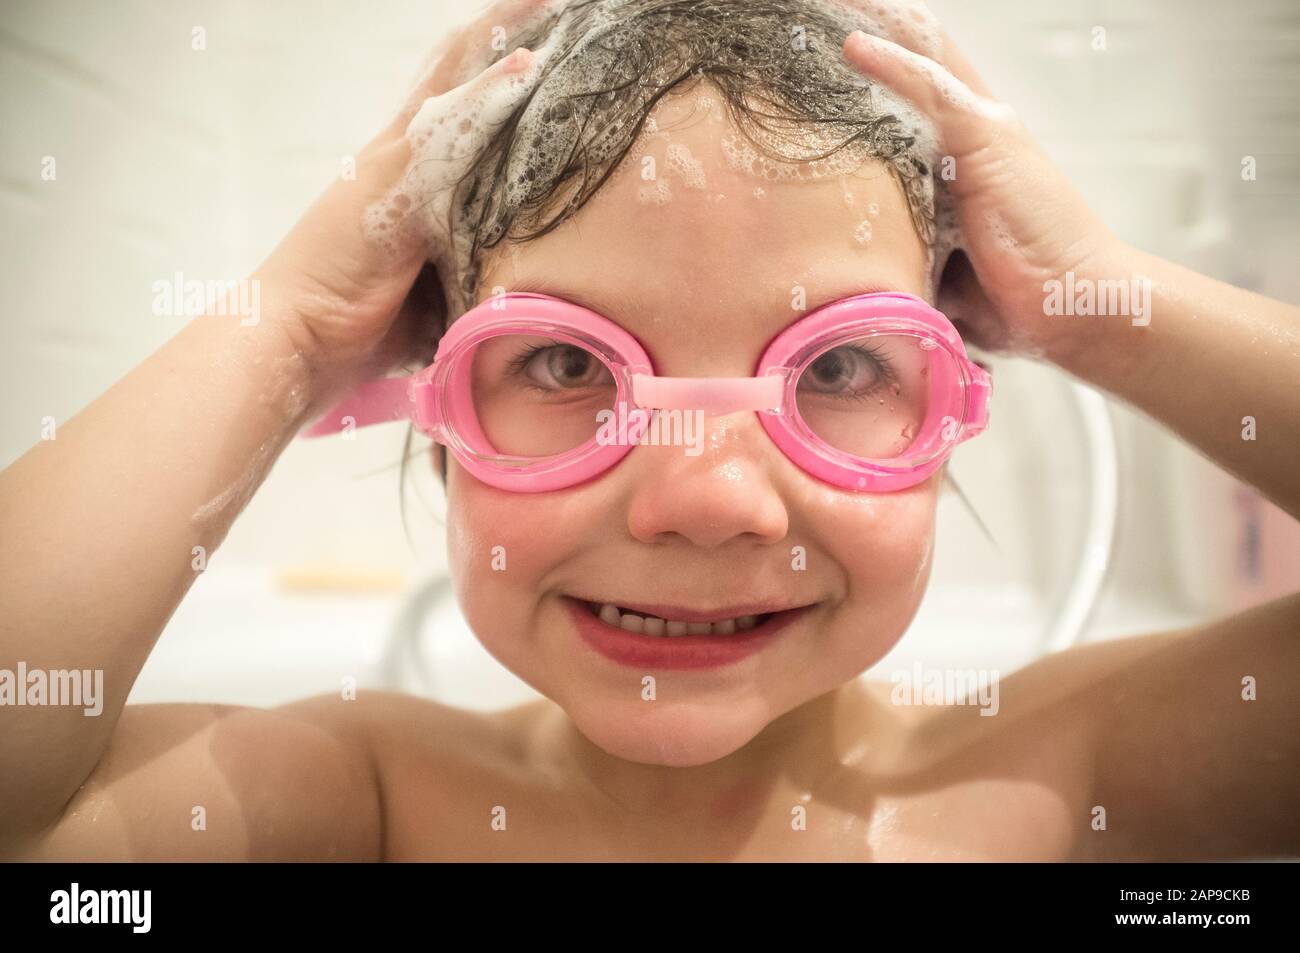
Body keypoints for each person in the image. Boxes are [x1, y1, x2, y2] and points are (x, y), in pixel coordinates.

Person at [2, 0, 1297, 861]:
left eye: (837, 362)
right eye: (567, 360)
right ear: (438, 402)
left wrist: (1103, 309)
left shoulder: (1054, 781)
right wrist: (288, 323)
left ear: (947, 400)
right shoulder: (374, 799)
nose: (707, 499)